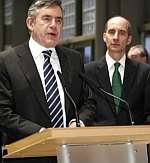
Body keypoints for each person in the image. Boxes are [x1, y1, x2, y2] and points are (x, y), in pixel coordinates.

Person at [0, 0, 95, 163]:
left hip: (70, 155)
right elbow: (3, 112)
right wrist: (42, 133)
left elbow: (88, 102)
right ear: (30, 23)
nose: (54, 25)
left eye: (59, 20)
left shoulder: (74, 59)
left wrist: (78, 122)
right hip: (27, 156)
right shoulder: (7, 61)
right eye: (47, 19)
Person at [79, 16, 150, 126]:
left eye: (122, 33)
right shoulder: (88, 71)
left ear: (129, 39)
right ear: (104, 37)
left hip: (133, 140)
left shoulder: (144, 72)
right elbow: (85, 108)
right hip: (99, 140)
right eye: (111, 32)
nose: (116, 37)